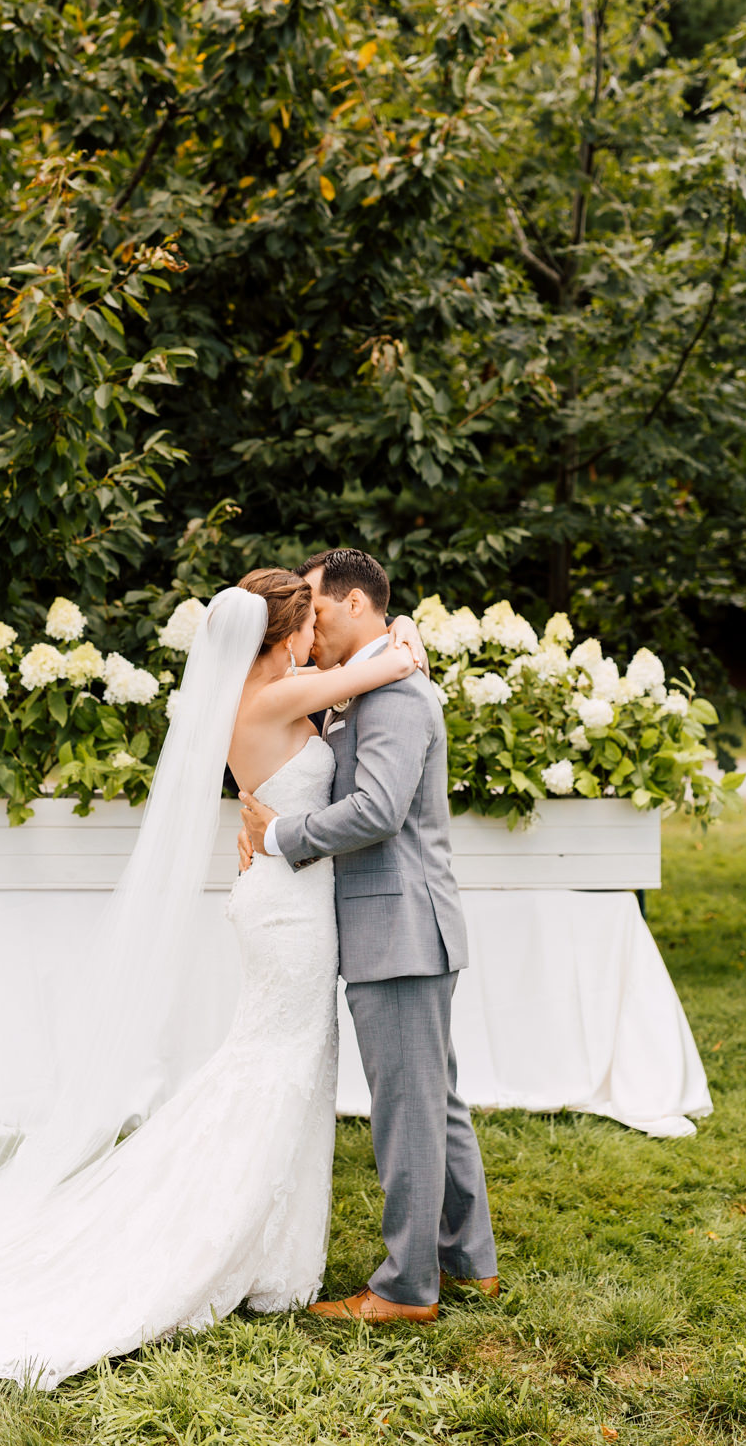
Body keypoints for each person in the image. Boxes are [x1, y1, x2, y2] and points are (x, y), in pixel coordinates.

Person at [0, 570, 423, 1399]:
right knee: (273, 1067)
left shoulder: (263, 696)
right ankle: (229, 1242)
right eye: (308, 624)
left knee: (285, 1064)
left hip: (282, 895)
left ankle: (274, 1250)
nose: (317, 637)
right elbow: (390, 663)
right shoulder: (274, 699)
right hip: (287, 913)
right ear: (285, 636)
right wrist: (405, 633)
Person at [240, 548, 498, 1323]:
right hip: (397, 926)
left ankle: (405, 1290)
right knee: (432, 1104)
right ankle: (468, 1264)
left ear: (356, 604)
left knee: (408, 1112)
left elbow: (379, 811)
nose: (309, 624)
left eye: (317, 608)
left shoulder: (394, 695)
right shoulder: (365, 683)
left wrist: (280, 834)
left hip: (401, 926)